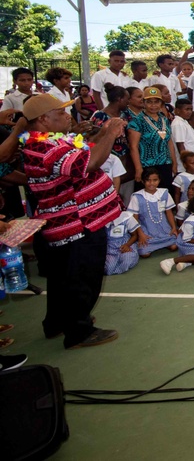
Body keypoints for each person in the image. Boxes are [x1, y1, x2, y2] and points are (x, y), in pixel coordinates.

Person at [19, 93, 126, 348]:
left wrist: (102, 134)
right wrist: (110, 133)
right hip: (77, 224)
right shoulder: (43, 146)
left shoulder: (51, 140)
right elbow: (89, 164)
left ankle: (56, 322)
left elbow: (87, 150)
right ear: (43, 119)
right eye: (61, 113)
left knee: (62, 279)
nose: (68, 116)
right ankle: (79, 331)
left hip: (71, 223)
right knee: (83, 278)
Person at [128, 87, 178, 187]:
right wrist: (138, 168)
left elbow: (169, 142)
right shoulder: (137, 121)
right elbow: (133, 147)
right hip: (147, 165)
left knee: (165, 193)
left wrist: (174, 162)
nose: (153, 105)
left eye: (156, 102)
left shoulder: (164, 118)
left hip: (165, 163)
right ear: (144, 103)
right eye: (149, 102)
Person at [127, 168, 179, 257]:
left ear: (159, 180)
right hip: (146, 229)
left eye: (155, 180)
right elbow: (134, 218)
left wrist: (173, 227)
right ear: (143, 181)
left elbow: (169, 213)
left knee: (175, 246)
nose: (151, 183)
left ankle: (165, 242)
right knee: (144, 253)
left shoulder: (164, 193)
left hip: (164, 227)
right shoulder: (137, 196)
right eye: (148, 180)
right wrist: (141, 234)